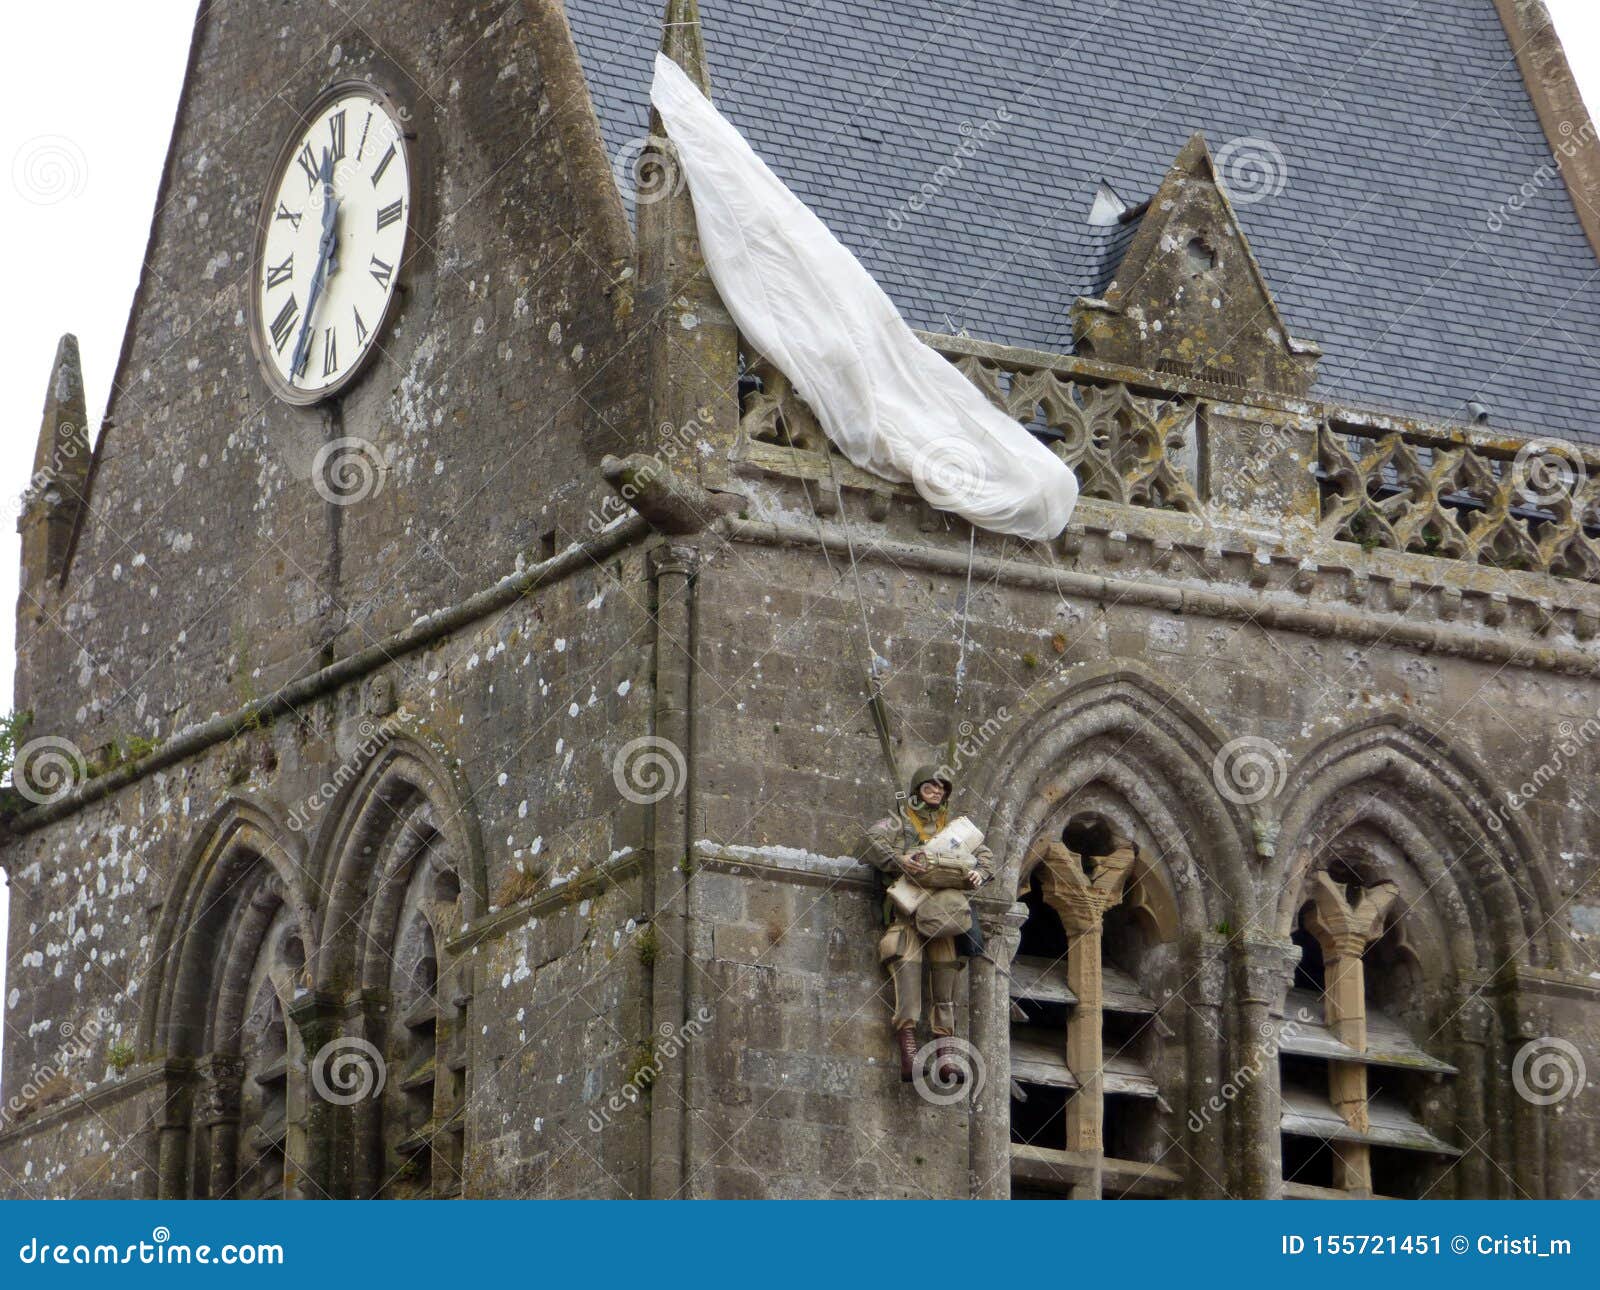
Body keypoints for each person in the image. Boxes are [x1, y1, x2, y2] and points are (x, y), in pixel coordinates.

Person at [865, 765, 992, 1083]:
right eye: (930, 786)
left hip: (944, 918)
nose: (936, 791)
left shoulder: (956, 829)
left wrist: (981, 873)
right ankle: (909, 1053)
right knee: (906, 977)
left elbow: (986, 857)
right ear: (918, 789)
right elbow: (870, 842)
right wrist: (899, 859)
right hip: (908, 912)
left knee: (945, 984)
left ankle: (945, 1054)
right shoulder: (898, 821)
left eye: (941, 787)